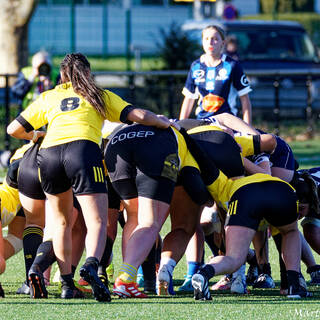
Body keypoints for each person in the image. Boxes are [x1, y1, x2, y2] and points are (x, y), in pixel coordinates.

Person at [7, 52, 174, 302]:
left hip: (49, 154)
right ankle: (91, 265)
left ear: (62, 75)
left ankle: (65, 284)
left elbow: (13, 129)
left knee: (61, 222)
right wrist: (161, 121)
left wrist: (36, 136)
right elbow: (137, 115)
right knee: (96, 220)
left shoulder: (49, 96)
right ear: (87, 72)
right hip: (82, 151)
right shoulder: (97, 95)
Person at [178, 130, 312, 299]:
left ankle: (204, 274)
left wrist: (187, 139)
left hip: (244, 195)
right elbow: (280, 241)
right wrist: (285, 282)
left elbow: (204, 162)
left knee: (233, 258)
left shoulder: (221, 182)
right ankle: (294, 285)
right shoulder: (251, 161)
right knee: (290, 232)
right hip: (281, 189)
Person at [179, 25, 252, 125]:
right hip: (202, 122)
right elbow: (189, 99)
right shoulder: (196, 66)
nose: (210, 42)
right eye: (207, 38)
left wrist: (247, 128)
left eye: (215, 39)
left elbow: (245, 98)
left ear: (223, 42)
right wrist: (180, 126)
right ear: (202, 42)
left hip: (227, 123)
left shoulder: (232, 65)